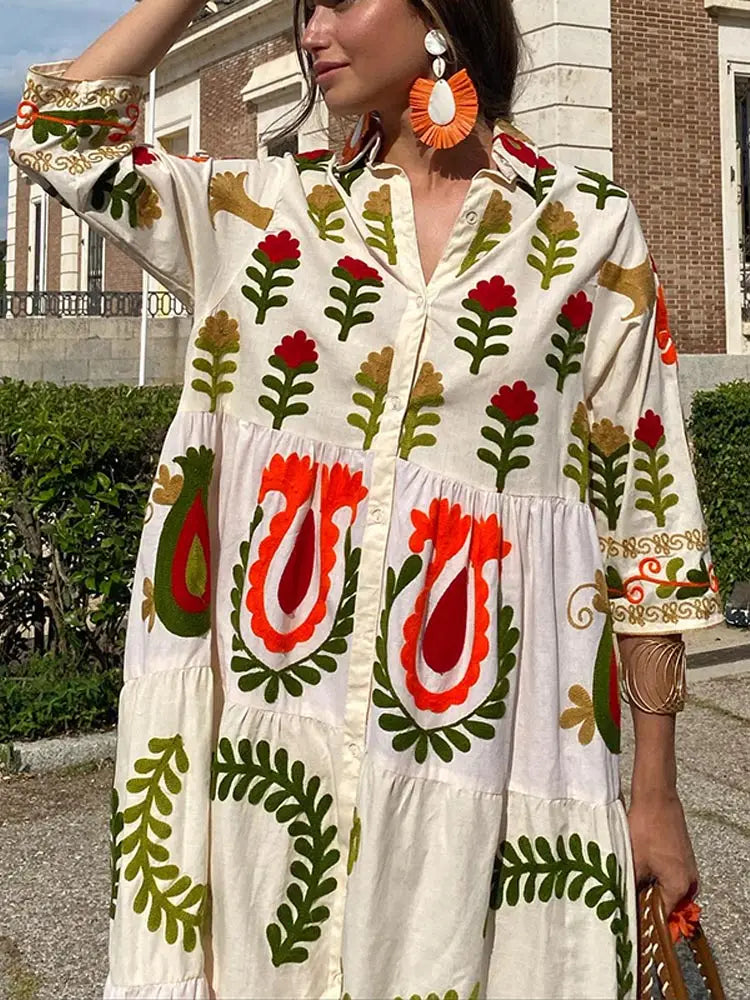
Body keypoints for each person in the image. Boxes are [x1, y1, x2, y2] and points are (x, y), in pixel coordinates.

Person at [10, 0, 724, 997]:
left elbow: (648, 529)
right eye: (305, 6)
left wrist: (655, 792)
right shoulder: (269, 212)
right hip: (268, 776)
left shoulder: (590, 232)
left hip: (489, 768)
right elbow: (58, 134)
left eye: (340, 1)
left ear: (439, 14)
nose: (311, 31)